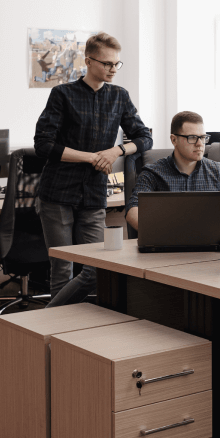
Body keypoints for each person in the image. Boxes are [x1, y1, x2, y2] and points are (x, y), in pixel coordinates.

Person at [34, 32, 153, 308]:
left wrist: (116, 151)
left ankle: (50, 317)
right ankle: (57, 325)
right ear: (88, 61)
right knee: (62, 267)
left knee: (97, 267)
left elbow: (145, 138)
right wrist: (91, 157)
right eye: (107, 63)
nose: (113, 69)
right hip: (58, 192)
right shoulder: (63, 94)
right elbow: (43, 144)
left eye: (116, 64)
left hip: (94, 193)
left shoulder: (119, 96)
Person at [125, 111, 220, 231]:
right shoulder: (153, 173)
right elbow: (133, 210)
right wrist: (159, 234)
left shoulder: (217, 171)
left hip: (209, 240)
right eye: (192, 138)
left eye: (202, 137)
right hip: (167, 240)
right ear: (174, 140)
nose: (200, 144)